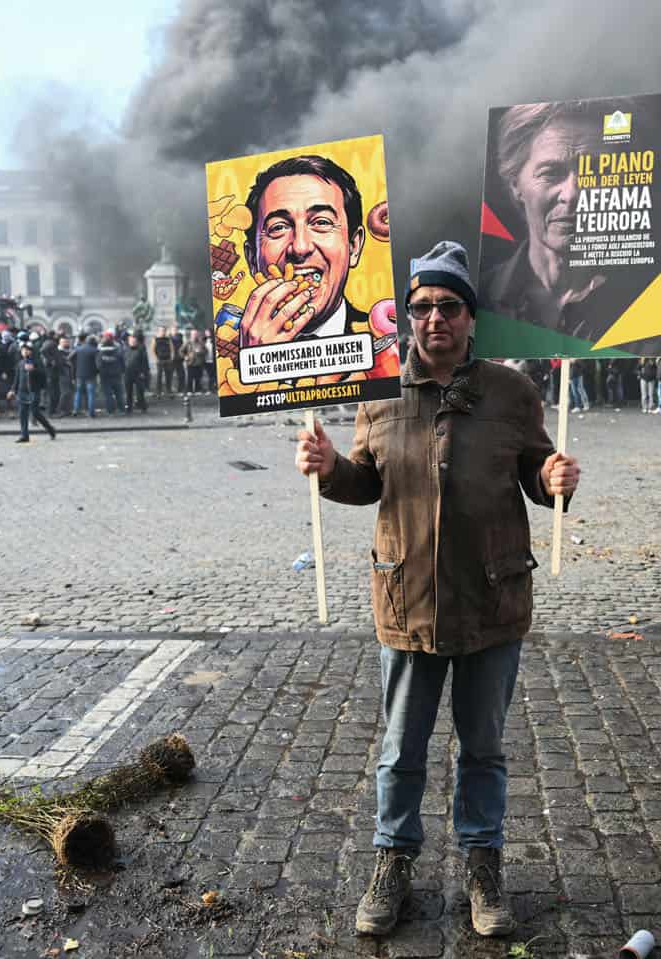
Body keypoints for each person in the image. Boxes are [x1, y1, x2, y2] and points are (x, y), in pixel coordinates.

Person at [295, 241, 579, 940]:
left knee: (483, 749)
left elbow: (537, 471)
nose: (433, 319)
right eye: (420, 307)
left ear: (471, 319)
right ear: (409, 317)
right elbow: (368, 482)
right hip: (408, 602)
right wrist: (331, 467)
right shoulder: (379, 393)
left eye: (448, 306)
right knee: (401, 750)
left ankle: (482, 865)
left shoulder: (512, 393)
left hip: (491, 601)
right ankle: (393, 860)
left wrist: (554, 480)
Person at [481, 100, 635, 338]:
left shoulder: (640, 304)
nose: (572, 194)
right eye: (551, 173)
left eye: (593, 172)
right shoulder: (481, 299)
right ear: (515, 184)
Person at [238, 154, 369, 349]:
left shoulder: (382, 342)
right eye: (278, 227)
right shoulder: (226, 364)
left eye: (321, 223)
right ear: (252, 259)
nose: (300, 247)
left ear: (354, 246)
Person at [8, 339, 56, 443]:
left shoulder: (37, 362)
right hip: (22, 392)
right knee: (22, 414)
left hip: (33, 391)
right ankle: (24, 435)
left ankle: (50, 429)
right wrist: (12, 390)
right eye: (23, 350)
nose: (25, 352)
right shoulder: (20, 363)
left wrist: (33, 370)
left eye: (27, 350)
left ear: (31, 351)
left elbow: (43, 375)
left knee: (35, 413)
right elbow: (17, 378)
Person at [97, 331, 125, 414]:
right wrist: (122, 371)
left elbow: (98, 365)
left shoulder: (100, 352)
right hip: (116, 374)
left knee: (108, 394)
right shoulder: (118, 350)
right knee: (119, 393)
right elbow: (122, 362)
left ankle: (110, 411)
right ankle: (122, 410)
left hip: (105, 376)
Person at [73, 333, 100, 417]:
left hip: (79, 374)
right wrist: (97, 371)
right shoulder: (95, 350)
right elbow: (98, 364)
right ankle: (91, 413)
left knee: (78, 392)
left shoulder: (78, 349)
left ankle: (76, 410)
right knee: (91, 394)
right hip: (91, 375)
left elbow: (69, 358)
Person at [124, 331, 150, 413]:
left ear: (136, 341)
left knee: (140, 391)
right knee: (128, 392)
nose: (132, 342)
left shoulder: (141, 349)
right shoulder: (125, 349)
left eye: (134, 341)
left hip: (138, 373)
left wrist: (144, 372)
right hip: (127, 373)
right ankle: (129, 407)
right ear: (128, 341)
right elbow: (122, 360)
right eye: (131, 341)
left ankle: (142, 406)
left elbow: (144, 361)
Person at [154, 329, 176, 395]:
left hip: (168, 359)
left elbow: (172, 349)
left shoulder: (168, 339)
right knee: (159, 376)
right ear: (158, 331)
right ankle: (158, 391)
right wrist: (156, 358)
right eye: (161, 331)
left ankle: (168, 390)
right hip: (160, 360)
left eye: (164, 331)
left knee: (168, 376)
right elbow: (153, 350)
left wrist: (172, 357)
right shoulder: (155, 339)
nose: (162, 332)